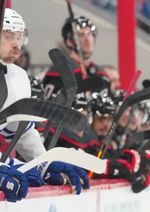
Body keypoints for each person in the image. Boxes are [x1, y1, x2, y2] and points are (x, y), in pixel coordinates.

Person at [0, 8, 88, 195]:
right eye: (9, 36)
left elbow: (20, 130)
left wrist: (43, 164)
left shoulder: (18, 77)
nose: (17, 45)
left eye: (19, 37)